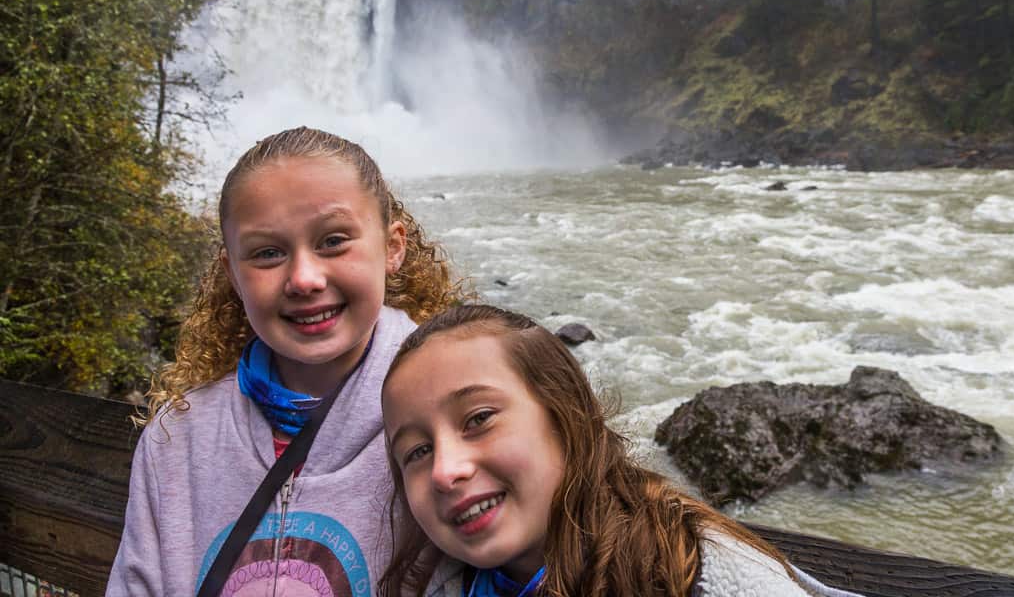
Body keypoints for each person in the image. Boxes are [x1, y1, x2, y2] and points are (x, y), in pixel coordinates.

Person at [107, 127, 470, 597]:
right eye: (268, 253)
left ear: (393, 247)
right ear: (231, 275)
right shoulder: (177, 438)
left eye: (334, 240)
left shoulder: (455, 414)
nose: (304, 279)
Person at [379, 305, 858, 597]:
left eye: (479, 418)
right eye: (417, 452)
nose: (446, 470)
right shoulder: (435, 582)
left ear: (565, 417)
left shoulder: (701, 576)